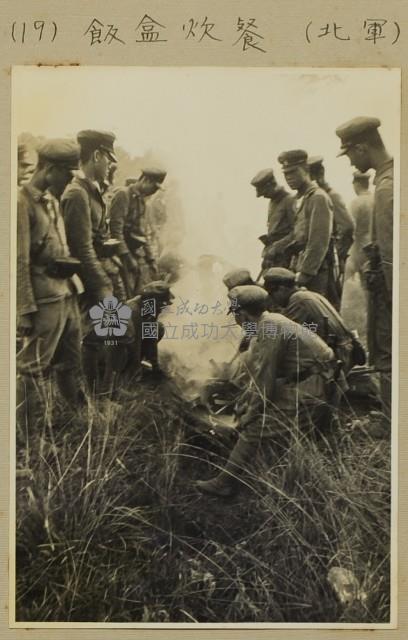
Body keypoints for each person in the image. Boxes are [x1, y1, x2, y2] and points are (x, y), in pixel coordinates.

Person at [196, 285, 337, 497]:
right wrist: (241, 397)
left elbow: (264, 381)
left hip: (310, 389)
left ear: (242, 314)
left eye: (235, 313)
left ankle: (225, 483)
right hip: (307, 381)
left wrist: (249, 414)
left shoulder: (269, 328)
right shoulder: (270, 322)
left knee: (254, 428)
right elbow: (256, 373)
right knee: (254, 415)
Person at [17, 139, 84, 428]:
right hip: (43, 298)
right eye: (68, 173)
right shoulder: (20, 203)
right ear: (51, 169)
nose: (70, 179)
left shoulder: (51, 200)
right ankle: (28, 442)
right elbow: (17, 261)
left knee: (70, 359)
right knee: (31, 369)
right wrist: (24, 309)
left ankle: (76, 417)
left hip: (65, 293)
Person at [336, 116, 393, 432]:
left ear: (360, 147)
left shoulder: (385, 187)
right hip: (384, 283)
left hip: (387, 287)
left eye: (350, 154)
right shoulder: (390, 178)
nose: (352, 161)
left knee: (385, 351)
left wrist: (392, 296)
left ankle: (389, 419)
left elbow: (390, 255)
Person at [61, 129, 127, 395]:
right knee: (98, 336)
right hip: (90, 275)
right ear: (97, 155)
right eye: (108, 158)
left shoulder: (91, 190)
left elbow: (95, 237)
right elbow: (81, 246)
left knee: (112, 333)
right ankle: (96, 392)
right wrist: (101, 283)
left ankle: (106, 389)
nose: (111, 164)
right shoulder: (77, 193)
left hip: (99, 270)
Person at [263, 267, 365, 375]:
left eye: (272, 293)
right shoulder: (310, 294)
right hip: (345, 350)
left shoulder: (298, 300)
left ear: (282, 289)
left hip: (338, 356)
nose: (272, 298)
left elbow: (284, 338)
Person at [277, 150, 339, 307]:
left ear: (306, 170)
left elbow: (318, 242)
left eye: (293, 172)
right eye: (286, 174)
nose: (289, 177)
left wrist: (304, 274)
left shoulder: (318, 197)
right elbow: (299, 235)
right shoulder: (302, 199)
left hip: (317, 272)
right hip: (304, 267)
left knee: (317, 317)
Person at [109, 168, 167, 297]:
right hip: (121, 256)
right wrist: (128, 258)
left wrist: (151, 260)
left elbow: (143, 233)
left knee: (140, 294)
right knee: (125, 297)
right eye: (154, 187)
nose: (154, 191)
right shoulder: (123, 195)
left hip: (135, 255)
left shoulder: (143, 202)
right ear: (145, 180)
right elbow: (116, 231)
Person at [307, 155, 355, 300]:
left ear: (319, 175)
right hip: (320, 259)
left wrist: (337, 253)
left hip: (329, 259)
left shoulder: (331, 196)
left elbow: (347, 226)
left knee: (330, 298)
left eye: (310, 176)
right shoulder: (312, 197)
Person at [126, 280, 174, 377]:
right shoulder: (133, 312)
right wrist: (135, 371)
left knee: (158, 328)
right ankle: (128, 372)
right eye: (161, 304)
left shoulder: (148, 307)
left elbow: (151, 337)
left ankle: (137, 365)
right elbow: (135, 345)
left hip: (132, 346)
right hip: (117, 351)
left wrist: (155, 366)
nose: (162, 308)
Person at [250, 168, 295, 271]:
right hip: (274, 257)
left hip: (286, 258)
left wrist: (276, 247)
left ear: (270, 185)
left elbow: (297, 232)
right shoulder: (273, 201)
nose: (262, 196)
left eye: (264, 192)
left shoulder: (289, 201)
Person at [348, 170, 374, 287]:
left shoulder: (356, 202)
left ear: (356, 184)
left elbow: (351, 227)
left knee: (351, 283)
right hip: (374, 246)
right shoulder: (375, 199)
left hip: (358, 247)